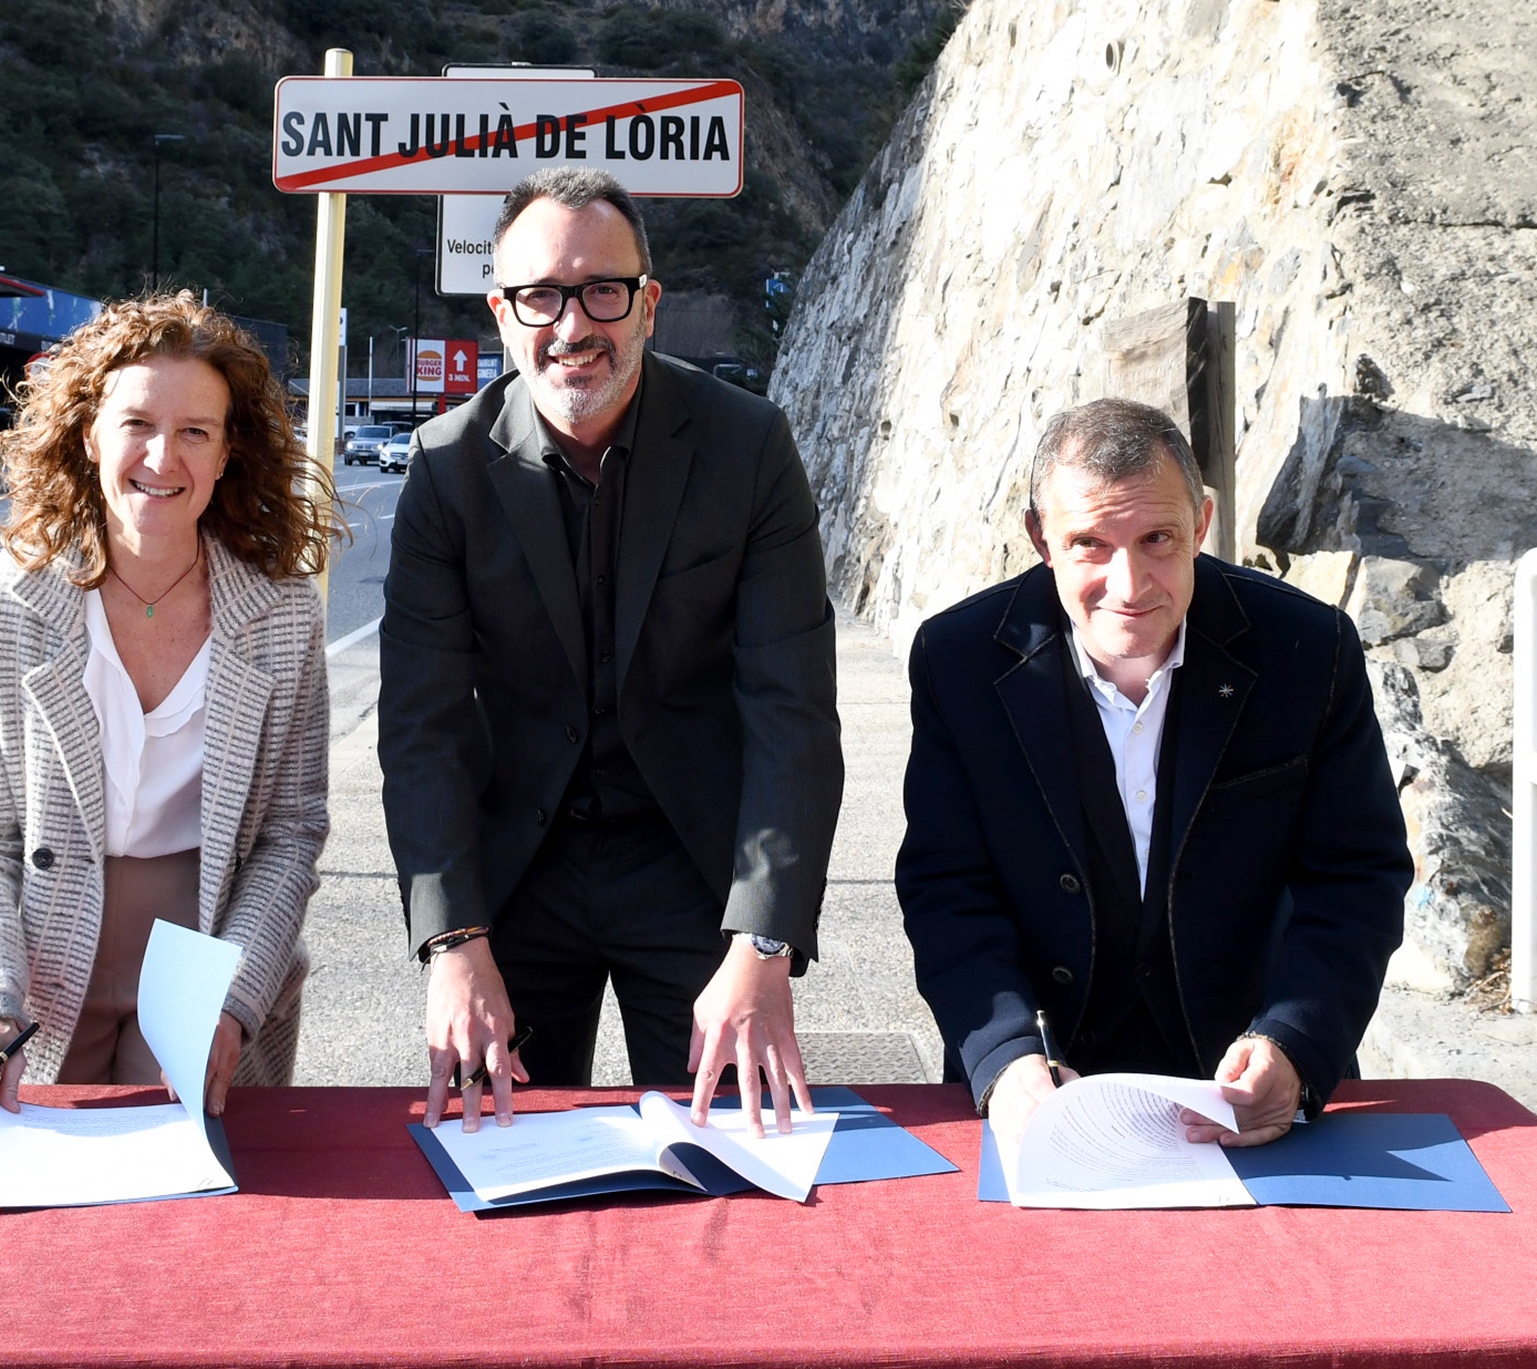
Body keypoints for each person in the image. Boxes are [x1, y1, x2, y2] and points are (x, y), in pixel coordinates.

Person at [379, 167, 844, 1136]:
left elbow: (789, 708)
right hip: (515, 871)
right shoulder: (443, 467)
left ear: (648, 304)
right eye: (540, 295)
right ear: (500, 311)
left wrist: (763, 942)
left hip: (692, 864)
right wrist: (453, 945)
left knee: (725, 1156)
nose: (572, 324)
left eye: (602, 289)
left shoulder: (748, 447)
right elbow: (421, 727)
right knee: (499, 1156)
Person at [895, 397, 1410, 1148]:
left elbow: (1357, 875)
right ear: (1041, 539)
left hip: (1249, 1094)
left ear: (1201, 524)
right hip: (1040, 1090)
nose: (1130, 585)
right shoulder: (957, 661)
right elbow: (947, 886)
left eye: (1158, 539)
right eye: (1089, 544)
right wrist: (1006, 1057)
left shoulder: (1312, 650)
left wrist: (1295, 1042)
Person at [0, 291, 337, 1117]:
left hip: (207, 947)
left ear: (228, 454)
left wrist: (235, 995)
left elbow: (292, 831)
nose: (163, 455)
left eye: (196, 431)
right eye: (136, 424)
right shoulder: (8, 599)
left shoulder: (283, 611)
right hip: (43, 948)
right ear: (89, 436)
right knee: (41, 1216)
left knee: (195, 1204)